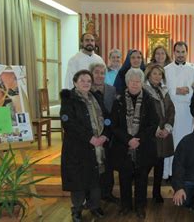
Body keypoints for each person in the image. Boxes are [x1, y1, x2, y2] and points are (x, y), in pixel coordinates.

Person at [60, 70, 110, 222]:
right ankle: (76, 210)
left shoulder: (96, 97)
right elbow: (68, 123)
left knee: (95, 179)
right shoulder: (69, 99)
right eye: (82, 80)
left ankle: (94, 206)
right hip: (77, 147)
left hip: (97, 146)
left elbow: (107, 118)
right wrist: (90, 138)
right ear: (75, 82)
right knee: (78, 181)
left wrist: (105, 134)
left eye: (89, 80)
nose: (86, 83)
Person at [110, 68, 158, 219]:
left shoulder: (149, 100)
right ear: (127, 82)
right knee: (124, 178)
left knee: (141, 179)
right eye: (132, 81)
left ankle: (140, 206)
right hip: (123, 146)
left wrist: (138, 139)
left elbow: (153, 123)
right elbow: (113, 125)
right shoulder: (118, 101)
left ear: (142, 83)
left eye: (138, 81)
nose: (135, 84)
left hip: (143, 146)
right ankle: (125, 206)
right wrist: (128, 140)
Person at [164, 41, 194, 180]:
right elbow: (162, 89)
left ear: (187, 52)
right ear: (174, 53)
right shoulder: (166, 69)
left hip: (187, 111)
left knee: (186, 142)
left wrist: (189, 90)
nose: (180, 55)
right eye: (178, 52)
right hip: (171, 110)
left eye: (183, 52)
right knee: (171, 141)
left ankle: (185, 172)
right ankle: (169, 172)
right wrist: (175, 90)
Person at [143, 64, 175, 203]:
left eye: (160, 74)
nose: (157, 76)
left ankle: (157, 193)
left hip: (164, 134)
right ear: (149, 75)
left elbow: (171, 111)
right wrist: (155, 129)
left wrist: (167, 128)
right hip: (151, 134)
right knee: (146, 166)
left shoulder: (164, 91)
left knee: (160, 164)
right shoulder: (144, 91)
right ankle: (142, 196)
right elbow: (144, 113)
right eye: (154, 73)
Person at [89, 62, 119, 203]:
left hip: (108, 133)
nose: (100, 75)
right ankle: (92, 197)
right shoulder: (86, 90)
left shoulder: (112, 90)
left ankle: (107, 192)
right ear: (91, 74)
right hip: (91, 136)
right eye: (97, 72)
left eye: (102, 73)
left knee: (108, 165)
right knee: (92, 166)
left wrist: (107, 132)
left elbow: (114, 112)